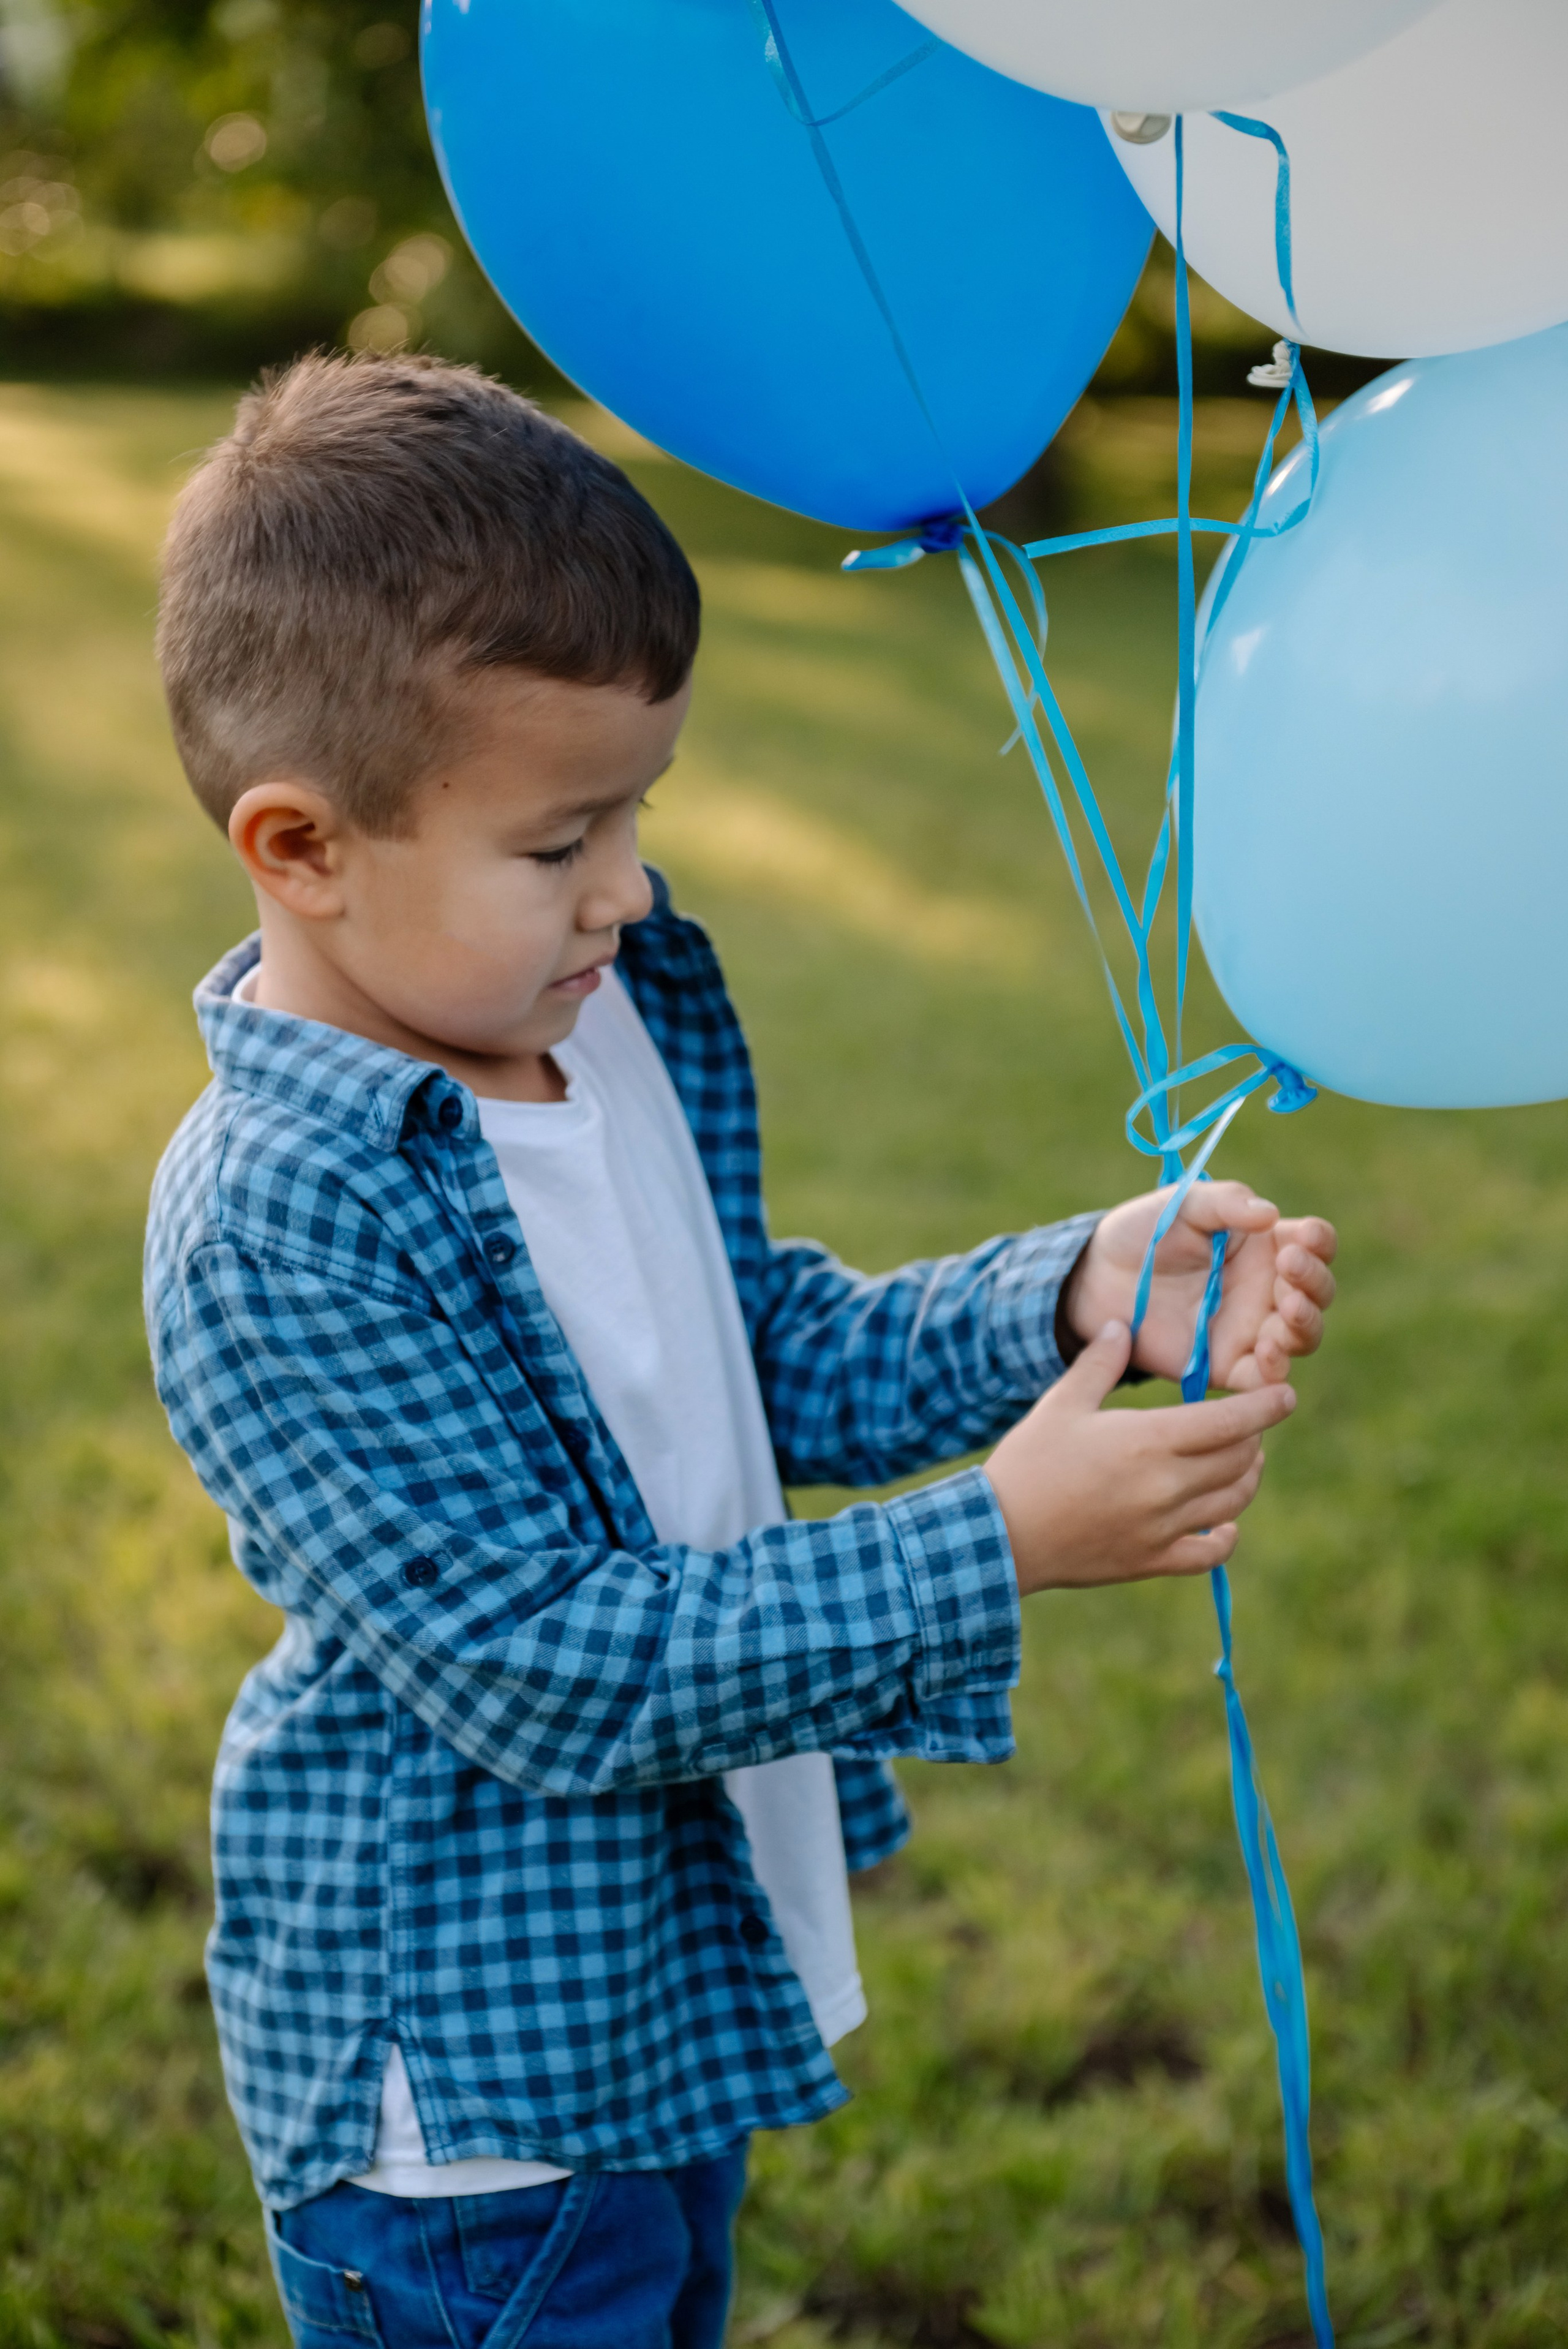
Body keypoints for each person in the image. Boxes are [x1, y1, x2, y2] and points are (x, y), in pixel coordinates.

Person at [145, 353, 1336, 2349]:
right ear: (302, 846)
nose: (623, 885)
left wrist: (1070, 1291)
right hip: (477, 2104)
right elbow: (543, 1659)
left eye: (640, 811)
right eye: (556, 842)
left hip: (668, 1980)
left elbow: (747, 1346)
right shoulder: (282, 1218)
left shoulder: (589, 1011)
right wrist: (995, 1540)